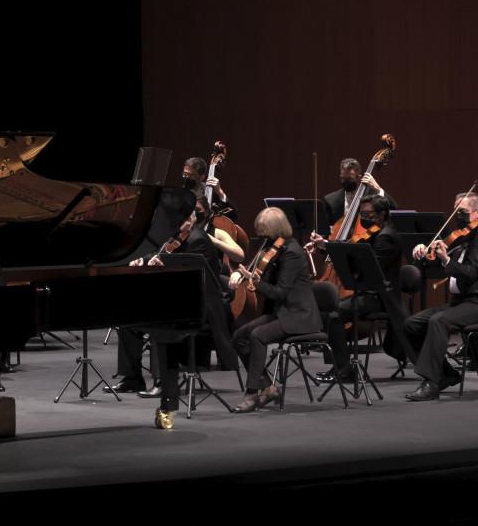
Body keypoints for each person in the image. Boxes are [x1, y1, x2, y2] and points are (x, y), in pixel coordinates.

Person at [105, 197, 242, 395]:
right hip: (177, 303)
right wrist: (141, 261)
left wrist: (165, 269)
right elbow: (157, 253)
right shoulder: (177, 236)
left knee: (160, 323)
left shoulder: (198, 240)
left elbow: (191, 282)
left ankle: (164, 382)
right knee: (127, 324)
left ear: (190, 219)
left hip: (198, 306)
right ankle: (132, 379)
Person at [403, 192, 478, 401]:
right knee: (411, 324)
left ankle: (431, 382)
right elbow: (443, 261)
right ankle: (446, 374)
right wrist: (424, 252)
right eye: (456, 213)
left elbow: (470, 272)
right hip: (462, 302)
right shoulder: (466, 236)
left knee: (438, 321)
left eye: (463, 212)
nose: (458, 217)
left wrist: (444, 259)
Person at [229, 207, 321, 412]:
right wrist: (240, 274)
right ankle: (267, 387)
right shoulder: (274, 248)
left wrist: (254, 281)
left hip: (299, 315)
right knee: (239, 336)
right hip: (282, 312)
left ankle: (252, 393)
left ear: (277, 229)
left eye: (265, 233)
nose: (262, 238)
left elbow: (279, 292)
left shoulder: (292, 253)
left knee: (258, 336)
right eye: (260, 233)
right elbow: (256, 271)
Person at [310, 195, 406, 382]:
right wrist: (326, 244)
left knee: (334, 315)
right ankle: (342, 367)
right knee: (330, 312)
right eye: (361, 213)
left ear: (381, 214)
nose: (363, 218)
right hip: (370, 295)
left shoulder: (386, 237)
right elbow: (351, 246)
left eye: (367, 213)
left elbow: (372, 273)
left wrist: (349, 264)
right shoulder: (377, 232)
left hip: (381, 299)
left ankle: (344, 369)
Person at [323, 158, 396, 228]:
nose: (344, 181)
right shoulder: (331, 200)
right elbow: (326, 230)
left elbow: (393, 208)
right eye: (342, 178)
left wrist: (378, 189)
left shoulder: (372, 195)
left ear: (359, 177)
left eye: (349, 179)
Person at [182, 156, 238, 222]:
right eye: (185, 174)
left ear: (202, 177)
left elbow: (233, 216)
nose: (187, 178)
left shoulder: (211, 191)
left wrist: (220, 192)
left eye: (191, 176)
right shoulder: (180, 192)